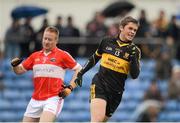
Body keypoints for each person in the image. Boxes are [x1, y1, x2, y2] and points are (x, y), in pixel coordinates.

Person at [72, 16, 141, 122]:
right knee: (97, 120)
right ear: (121, 28)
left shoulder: (135, 51)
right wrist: (81, 72)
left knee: (101, 121)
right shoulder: (106, 41)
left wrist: (133, 58)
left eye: (135, 30)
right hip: (100, 84)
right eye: (130, 28)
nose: (132, 32)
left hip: (116, 92)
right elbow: (94, 58)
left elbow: (134, 75)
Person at [11, 26, 81, 122]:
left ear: (56, 40)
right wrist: (14, 66)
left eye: (50, 39)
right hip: (35, 99)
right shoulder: (34, 56)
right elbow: (19, 71)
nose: (46, 41)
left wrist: (70, 87)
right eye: (45, 38)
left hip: (53, 99)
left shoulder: (63, 55)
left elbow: (79, 70)